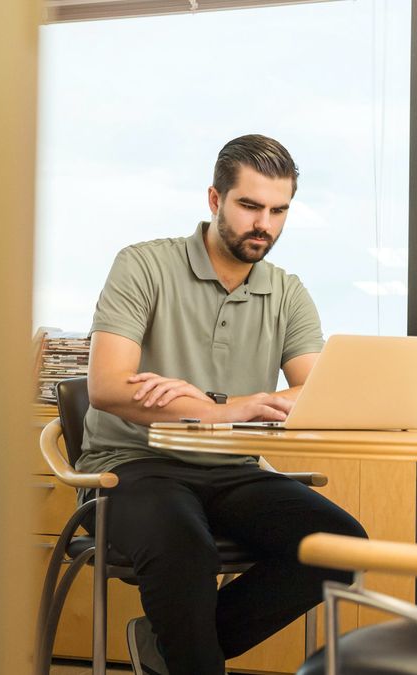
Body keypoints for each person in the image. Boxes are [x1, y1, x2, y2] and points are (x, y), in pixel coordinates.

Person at [76, 134, 368, 675]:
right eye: (250, 206)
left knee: (341, 545)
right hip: (132, 468)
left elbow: (313, 394)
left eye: (279, 211)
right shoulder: (143, 265)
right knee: (185, 545)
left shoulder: (287, 291)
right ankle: (190, 656)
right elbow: (109, 388)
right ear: (215, 200)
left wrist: (216, 405)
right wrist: (224, 408)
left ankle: (173, 650)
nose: (266, 225)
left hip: (235, 470)